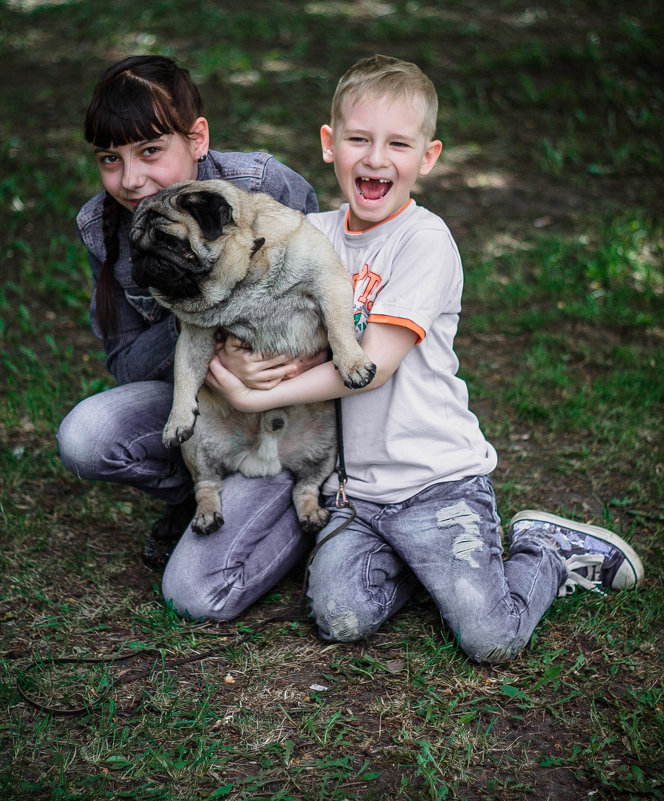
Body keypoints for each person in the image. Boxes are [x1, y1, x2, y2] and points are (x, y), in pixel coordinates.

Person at [194, 54, 645, 663]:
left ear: (427, 158)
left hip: (437, 484)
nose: (376, 158)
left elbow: (371, 364)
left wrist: (255, 396)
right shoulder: (311, 236)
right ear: (330, 145)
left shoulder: (423, 240)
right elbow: (240, 304)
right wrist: (232, 358)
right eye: (359, 139)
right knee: (339, 616)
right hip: (358, 497)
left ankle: (543, 550)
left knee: (492, 640)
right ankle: (423, 566)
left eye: (398, 144)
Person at [57, 55, 319, 575]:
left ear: (197, 139)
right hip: (200, 402)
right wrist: (216, 355)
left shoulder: (266, 184)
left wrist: (275, 374)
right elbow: (127, 361)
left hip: (300, 399)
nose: (132, 179)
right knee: (85, 437)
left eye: (151, 150)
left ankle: (304, 493)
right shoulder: (102, 226)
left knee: (201, 583)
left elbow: (335, 296)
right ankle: (199, 484)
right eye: (110, 158)